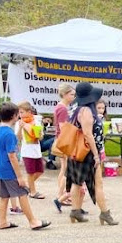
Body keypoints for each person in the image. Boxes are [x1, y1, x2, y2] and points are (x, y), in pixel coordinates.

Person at [0, 102, 50, 231]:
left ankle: (2, 221)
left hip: (0, 167)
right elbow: (12, 156)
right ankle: (33, 221)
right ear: (14, 116)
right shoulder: (9, 134)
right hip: (9, 169)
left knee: (4, 196)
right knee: (22, 194)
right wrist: (19, 176)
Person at [66, 82, 118, 225]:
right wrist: (96, 155)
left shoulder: (77, 110)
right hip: (87, 152)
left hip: (77, 151)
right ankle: (105, 214)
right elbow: (88, 135)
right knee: (98, 183)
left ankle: (75, 211)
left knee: (77, 183)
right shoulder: (87, 112)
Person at [53, 83, 76, 212]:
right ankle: (61, 195)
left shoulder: (61, 107)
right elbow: (63, 127)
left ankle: (62, 194)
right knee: (65, 169)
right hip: (64, 141)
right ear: (65, 94)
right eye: (72, 94)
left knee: (64, 168)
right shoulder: (62, 109)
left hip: (61, 140)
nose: (73, 97)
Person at [16, 101, 45, 199]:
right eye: (19, 112)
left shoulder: (36, 121)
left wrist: (39, 134)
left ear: (29, 112)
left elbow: (40, 137)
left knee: (40, 170)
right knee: (30, 172)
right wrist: (20, 128)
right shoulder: (19, 123)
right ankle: (33, 191)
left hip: (36, 150)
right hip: (27, 151)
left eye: (22, 112)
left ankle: (27, 186)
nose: (20, 115)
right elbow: (18, 138)